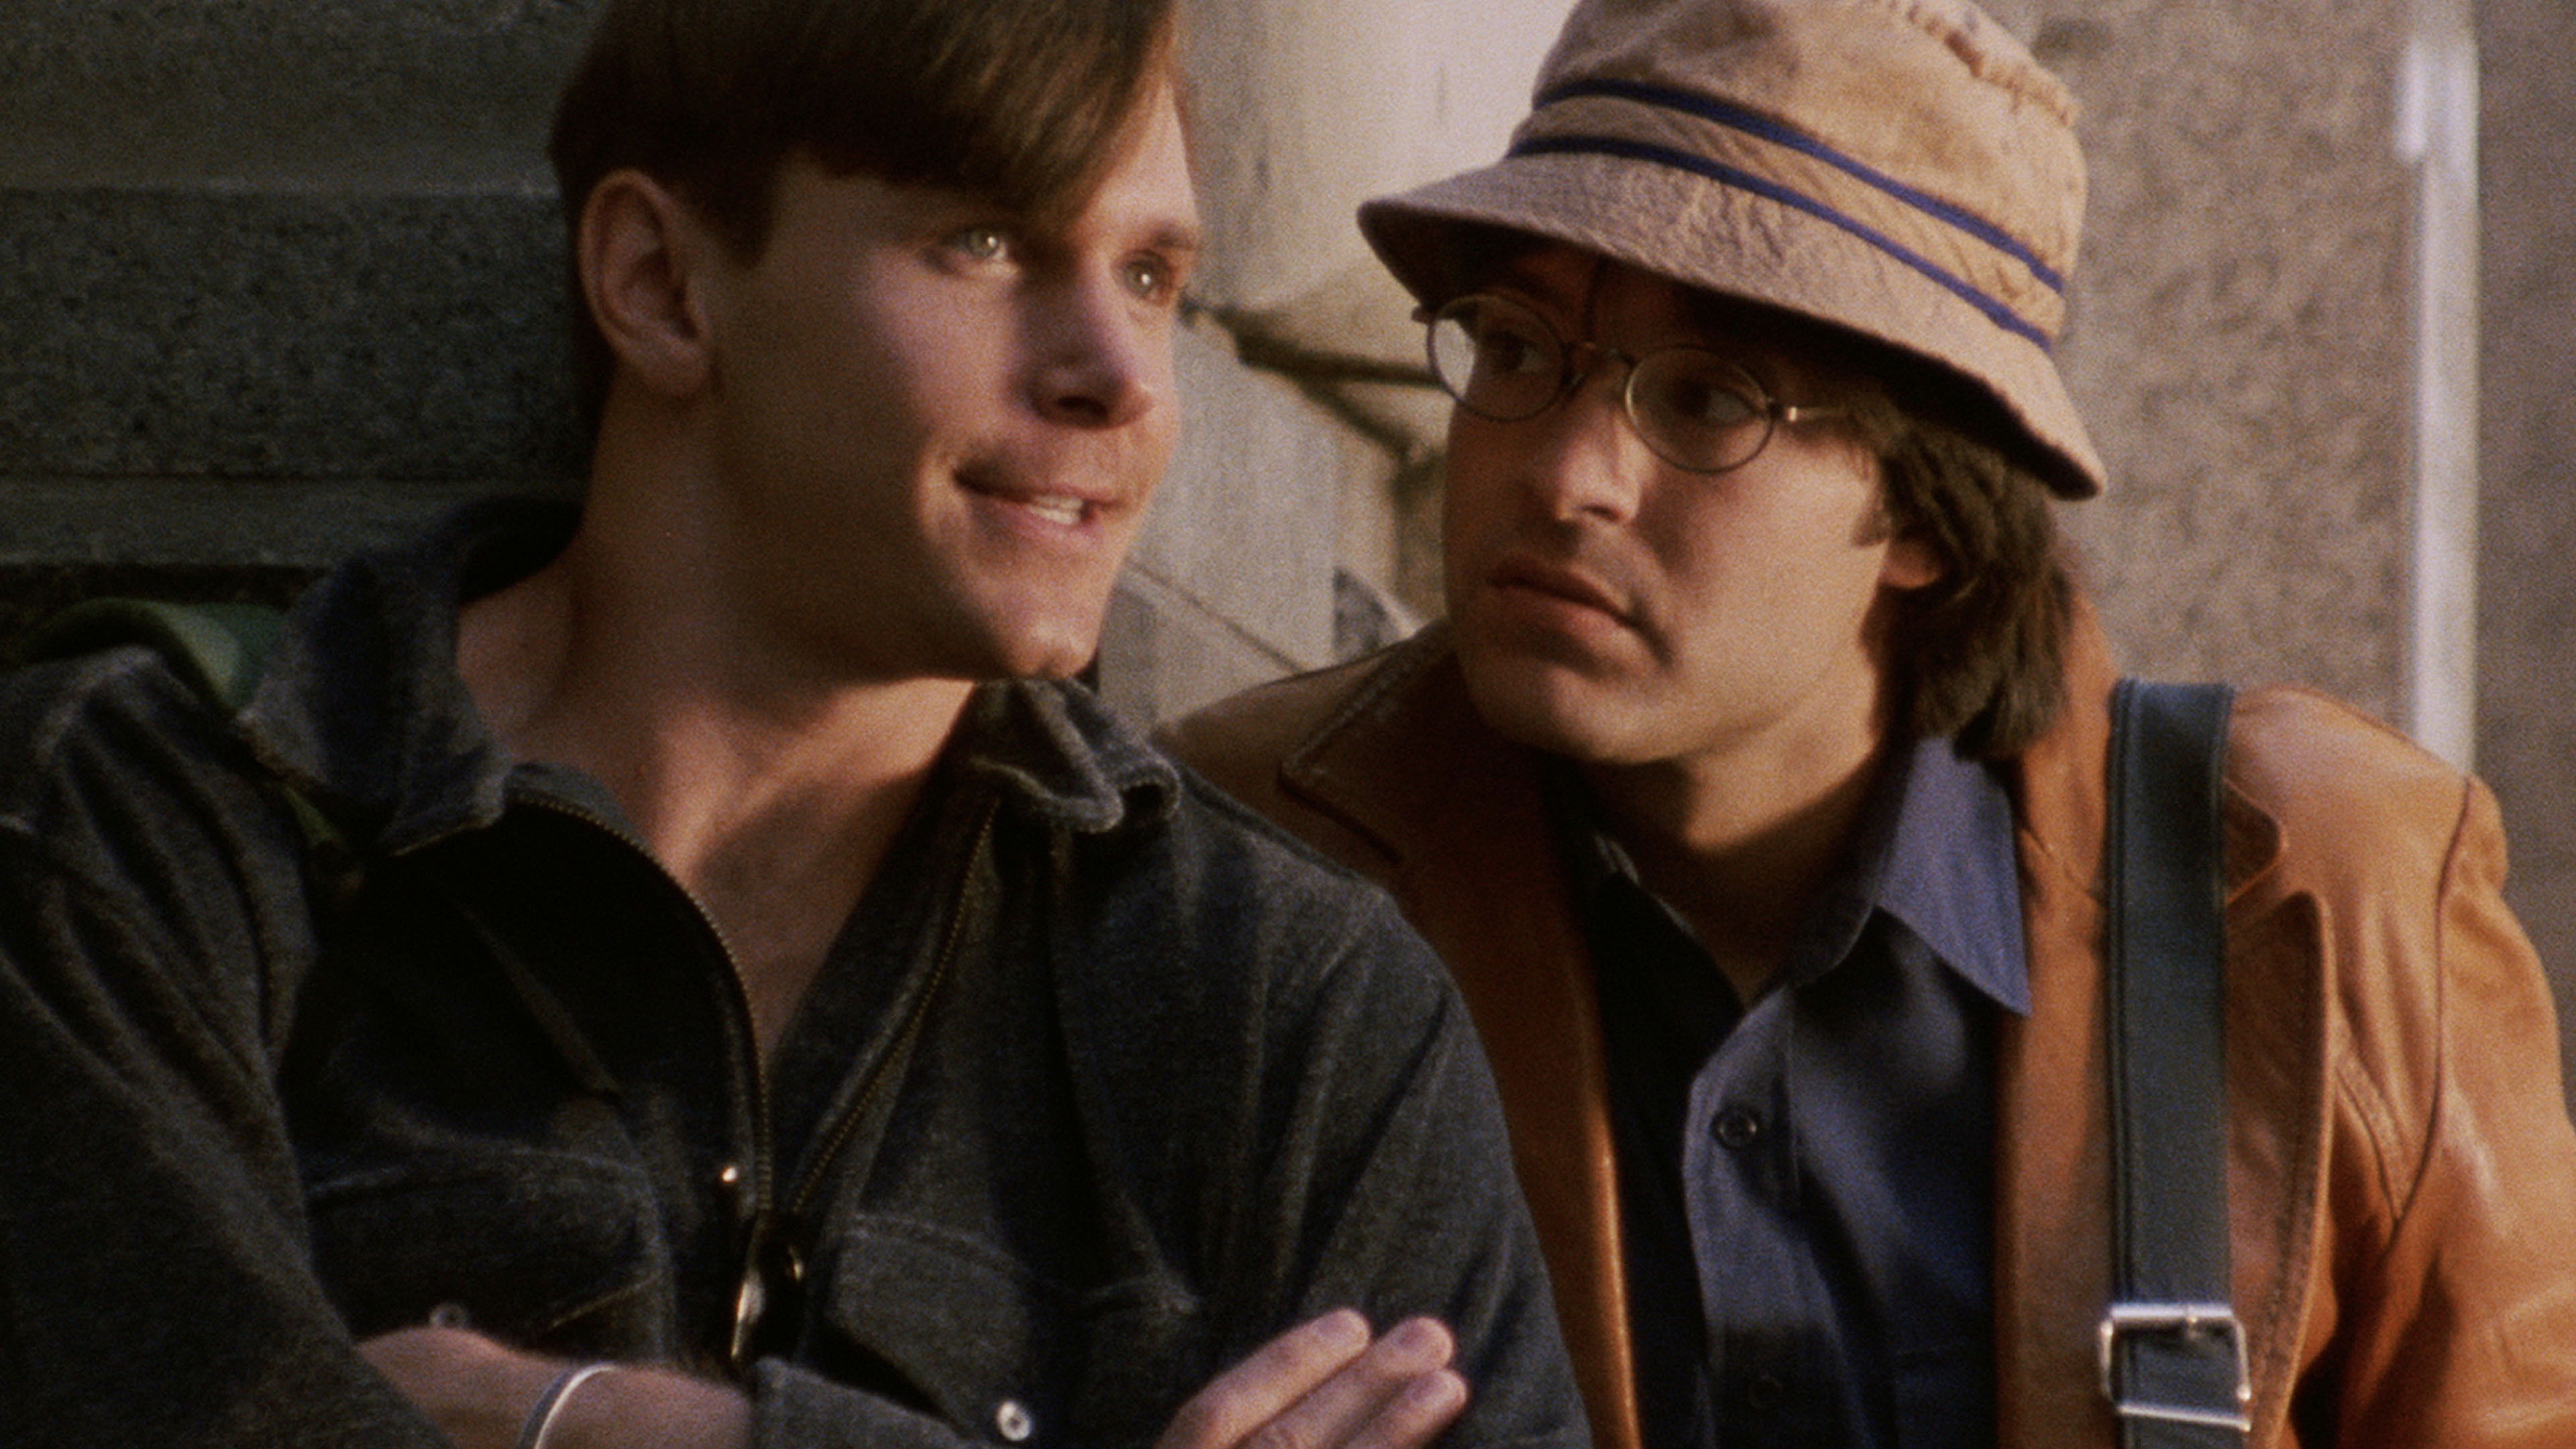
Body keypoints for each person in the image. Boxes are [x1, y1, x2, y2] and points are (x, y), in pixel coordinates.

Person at [0, 1, 1591, 1446]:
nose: (1119, 377)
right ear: (660, 284)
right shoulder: (145, 825)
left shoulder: (1289, 1008)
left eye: (1152, 276)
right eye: (985, 242)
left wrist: (614, 1426)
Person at [1163, 1, 2576, 1446]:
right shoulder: (1244, 863)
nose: (1569, 472)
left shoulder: (2332, 902)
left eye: (1707, 399)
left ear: (1926, 510)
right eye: (1519, 349)